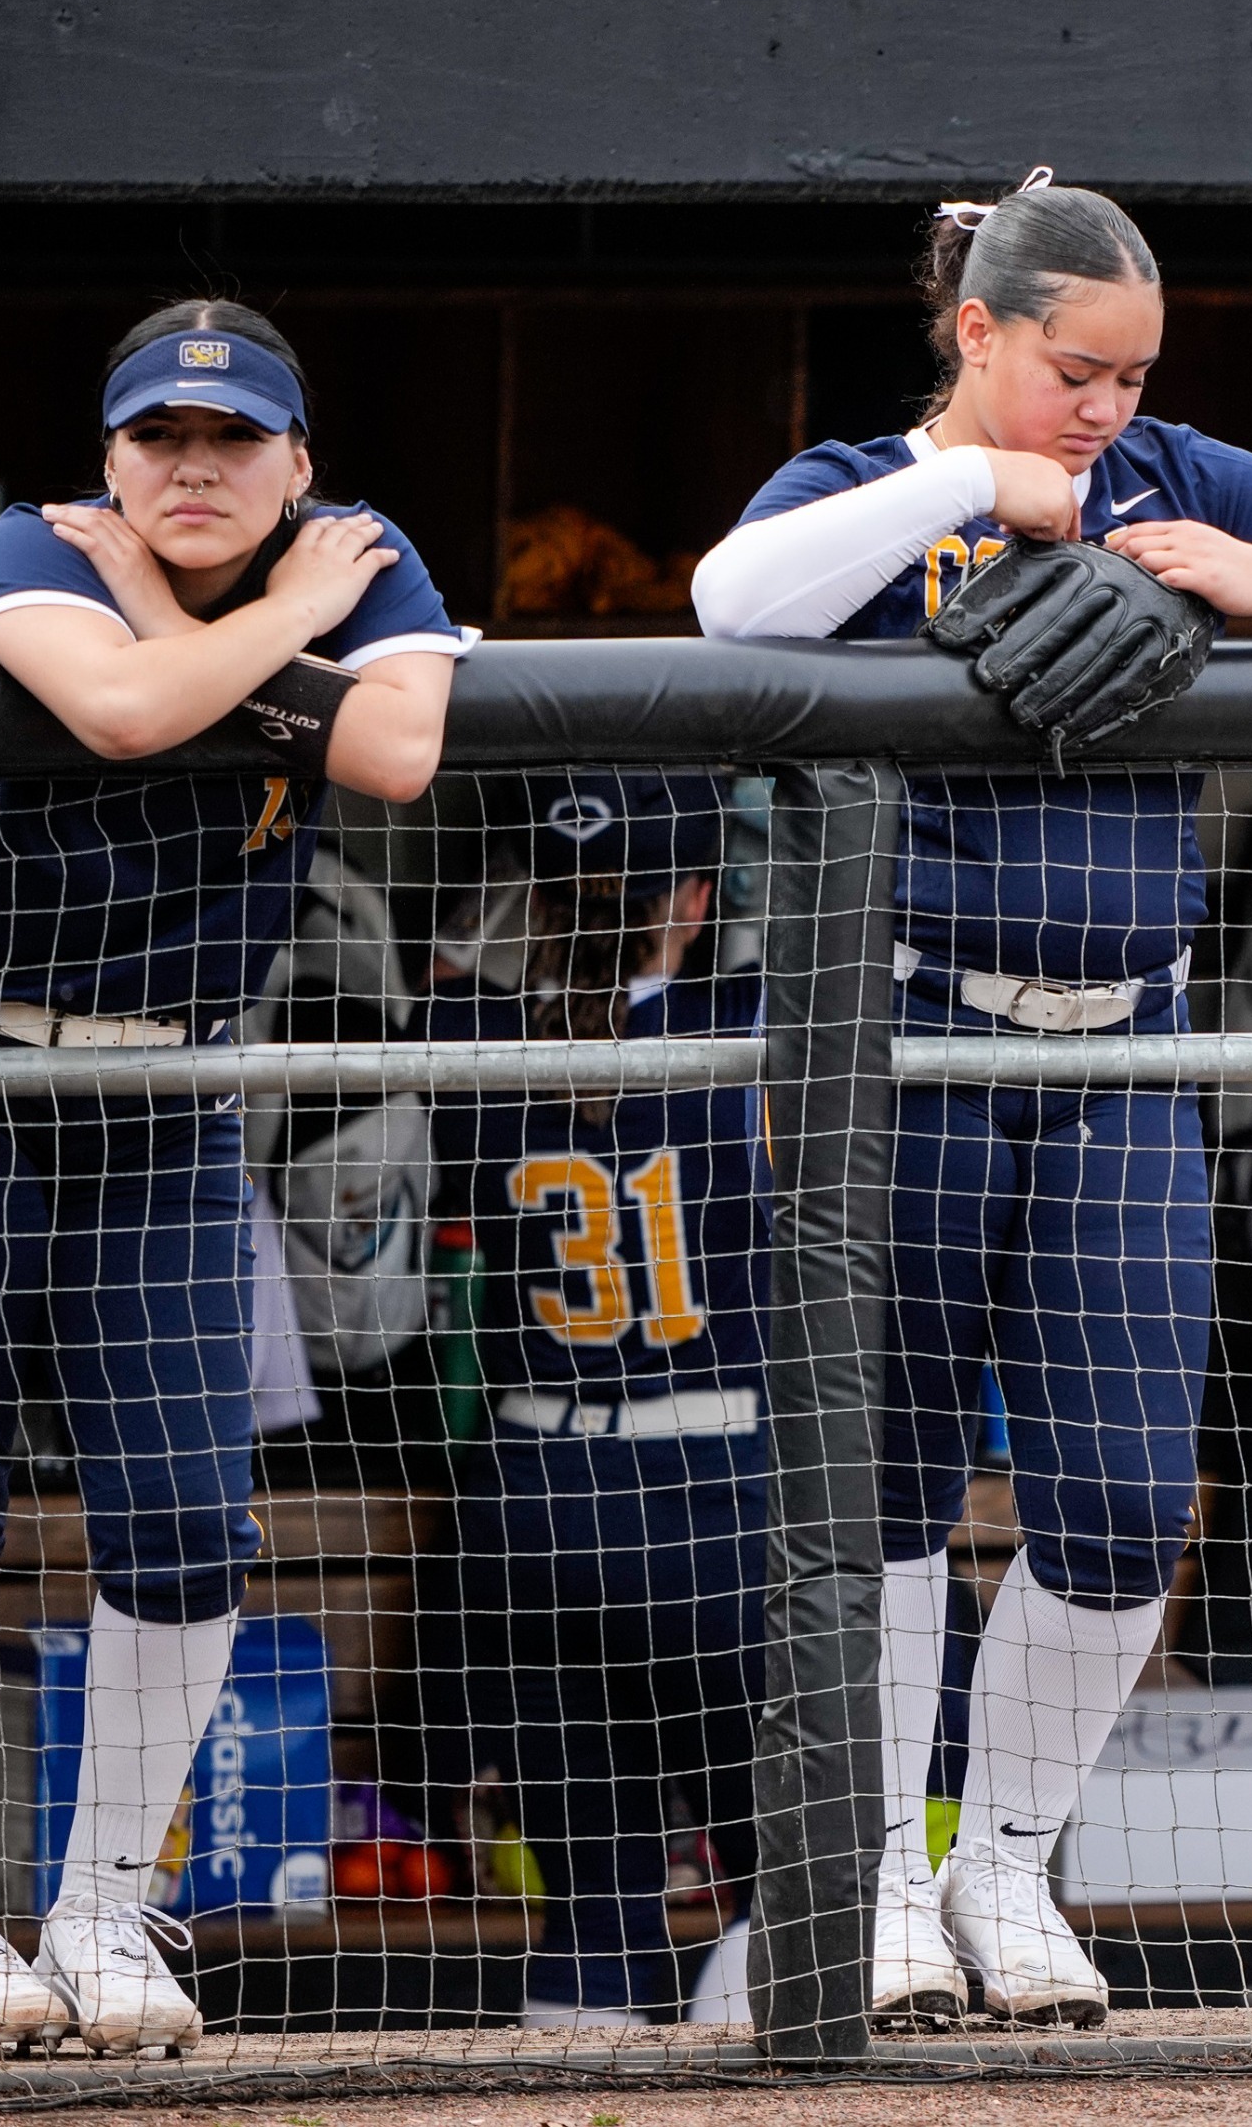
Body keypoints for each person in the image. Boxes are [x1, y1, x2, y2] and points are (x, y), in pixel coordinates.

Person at [688, 170, 1252, 2027]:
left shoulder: (1176, 474)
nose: (1108, 408)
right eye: (1074, 369)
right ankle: (883, 1872)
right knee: (887, 1486)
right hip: (903, 1039)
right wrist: (981, 486)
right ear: (977, 330)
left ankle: (1006, 1865)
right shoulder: (864, 488)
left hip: (1122, 1044)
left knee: (1125, 1498)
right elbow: (735, 602)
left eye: (1134, 374)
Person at [0, 300, 468, 2054]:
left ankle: (107, 1915)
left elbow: (398, 751)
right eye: (159, 442)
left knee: (185, 1521)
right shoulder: (45, 539)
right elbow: (111, 711)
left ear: (297, 465)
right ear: (107, 462)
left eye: (234, 442)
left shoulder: (362, 558)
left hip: (163, 1095)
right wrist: (293, 631)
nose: (193, 469)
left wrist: (262, 618)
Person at [424, 776, 767, 2029]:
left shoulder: (472, 1035)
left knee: (593, 1917)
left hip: (537, 1500)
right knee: (775, 1883)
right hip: (718, 1494)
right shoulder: (754, 1023)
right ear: (692, 898)